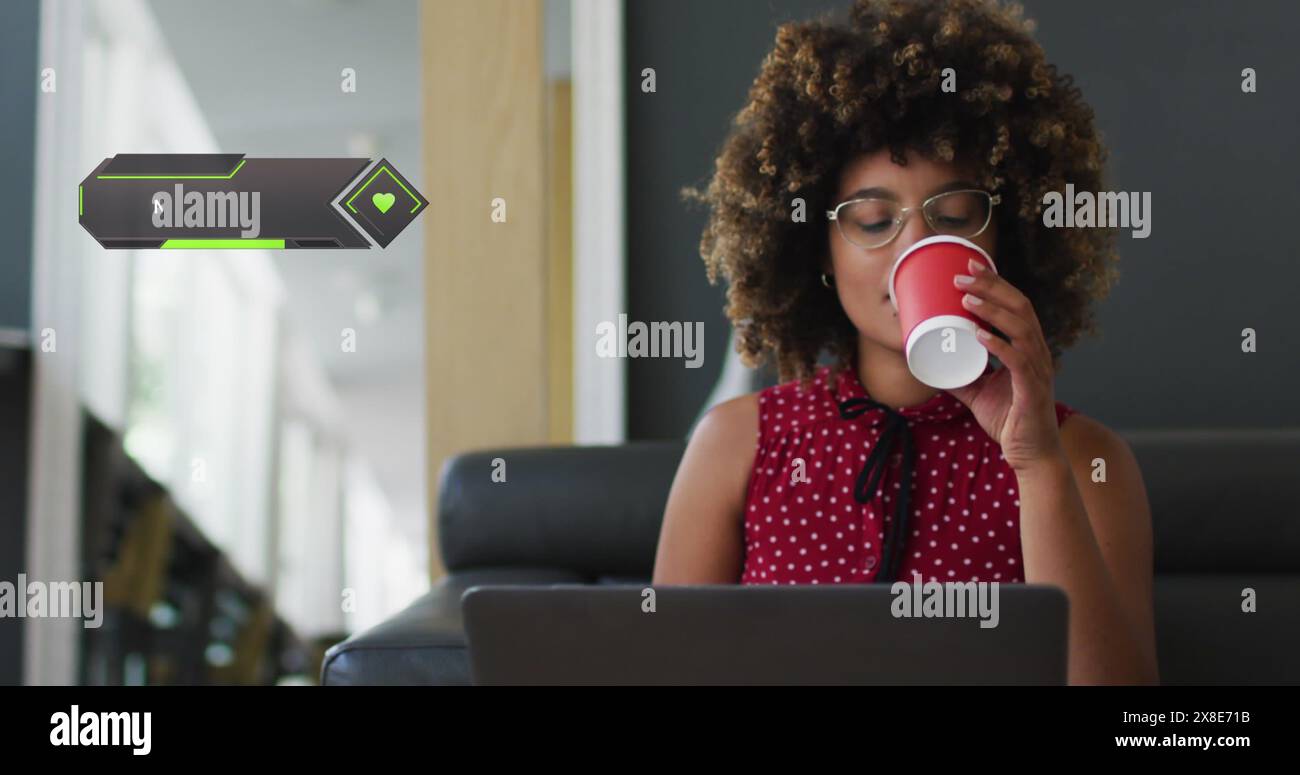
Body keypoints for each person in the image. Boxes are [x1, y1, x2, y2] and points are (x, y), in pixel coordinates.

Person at [652, 0, 1158, 685]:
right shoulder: (736, 446)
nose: (915, 244)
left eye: (954, 215)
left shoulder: (1085, 461)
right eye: (872, 219)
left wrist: (1035, 463)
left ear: (1003, 237)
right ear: (821, 252)